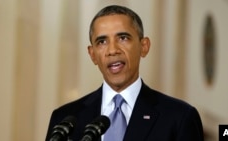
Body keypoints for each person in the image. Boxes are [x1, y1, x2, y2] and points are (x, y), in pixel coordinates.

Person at [45, 5, 204, 141]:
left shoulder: (179, 117)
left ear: (144, 46)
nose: (112, 50)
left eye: (123, 38)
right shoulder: (65, 118)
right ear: (92, 54)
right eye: (102, 42)